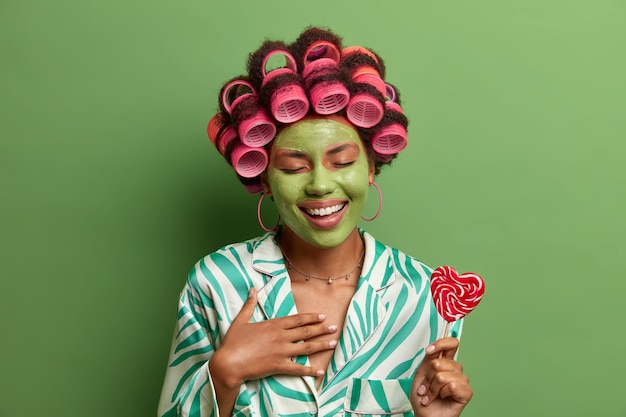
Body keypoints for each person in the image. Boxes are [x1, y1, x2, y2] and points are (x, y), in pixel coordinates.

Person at [158, 27, 474, 417]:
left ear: (372, 165)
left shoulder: (426, 296)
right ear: (265, 180)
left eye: (342, 162)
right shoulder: (216, 282)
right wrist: (225, 373)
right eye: (293, 167)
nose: (321, 185)